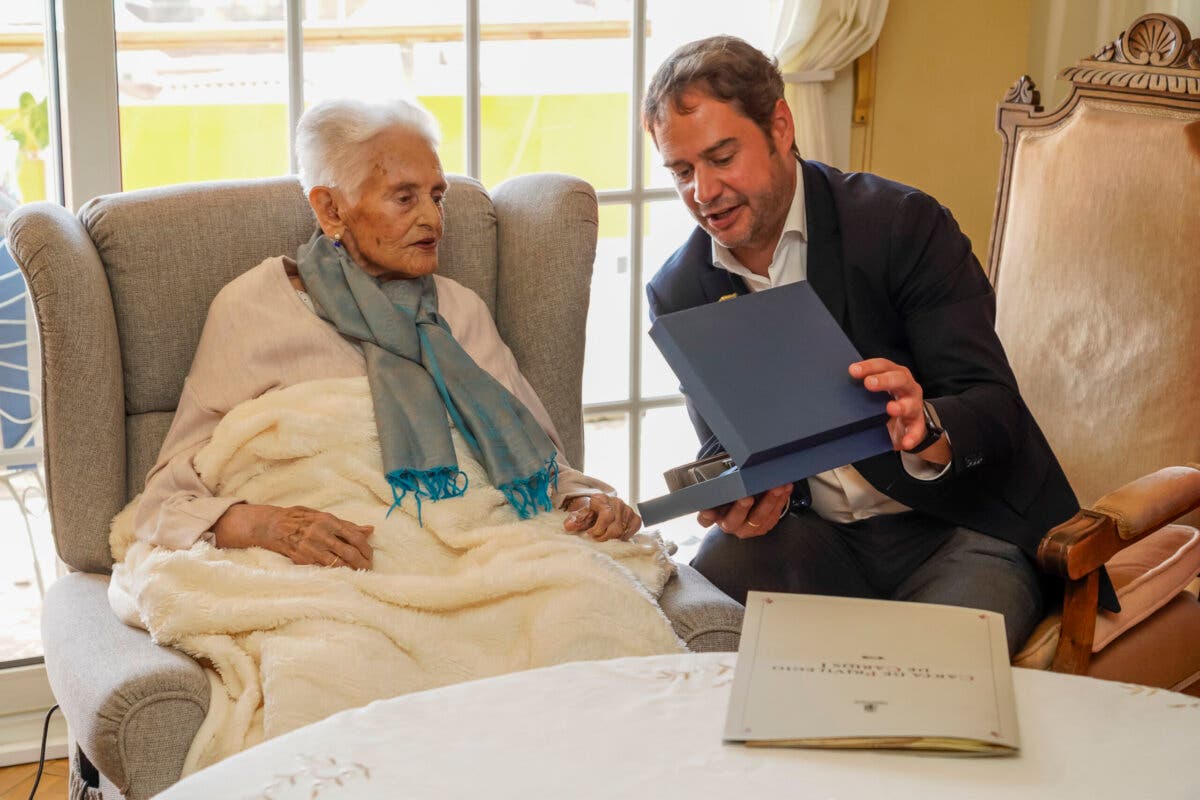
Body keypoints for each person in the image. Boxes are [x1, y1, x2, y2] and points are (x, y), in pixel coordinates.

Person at [642, 36, 1102, 656]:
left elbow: (993, 405)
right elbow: (725, 436)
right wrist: (743, 491)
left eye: (722, 157)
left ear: (780, 126)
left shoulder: (902, 224)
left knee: (933, 679)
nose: (703, 190)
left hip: (959, 529)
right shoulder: (679, 288)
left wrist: (928, 421)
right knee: (700, 610)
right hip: (812, 539)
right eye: (681, 171)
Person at [135, 97, 641, 567]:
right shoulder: (253, 307)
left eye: (437, 196)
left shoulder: (458, 310)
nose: (433, 219)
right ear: (331, 209)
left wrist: (589, 500)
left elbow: (537, 461)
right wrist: (268, 524)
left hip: (475, 547)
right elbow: (165, 501)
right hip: (341, 564)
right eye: (404, 198)